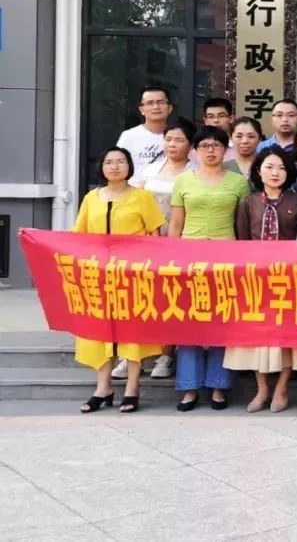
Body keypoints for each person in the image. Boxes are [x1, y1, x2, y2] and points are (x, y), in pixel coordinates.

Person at [72, 147, 165, 414]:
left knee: (132, 332)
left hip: (132, 274)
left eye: (121, 161)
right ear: (101, 167)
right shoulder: (91, 198)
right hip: (98, 275)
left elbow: (155, 236)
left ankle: (132, 387)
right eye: (109, 162)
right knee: (99, 330)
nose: (115, 166)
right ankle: (103, 387)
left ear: (129, 166)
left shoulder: (142, 197)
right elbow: (78, 236)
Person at [169, 126, 249, 411]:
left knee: (222, 321)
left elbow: (242, 223)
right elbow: (175, 223)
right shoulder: (183, 180)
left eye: (216, 145)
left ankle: (218, 386)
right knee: (189, 322)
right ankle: (189, 387)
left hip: (226, 257)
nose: (211, 150)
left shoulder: (238, 182)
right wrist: (172, 259)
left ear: (225, 150)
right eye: (205, 145)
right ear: (195, 150)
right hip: (189, 257)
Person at [224, 147, 297, 413]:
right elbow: (242, 240)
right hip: (256, 278)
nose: (275, 173)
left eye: (281, 168)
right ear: (258, 171)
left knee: (285, 337)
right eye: (269, 167)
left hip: (288, 278)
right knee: (257, 336)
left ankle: (282, 388)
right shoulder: (249, 203)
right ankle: (261, 389)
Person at [122, 116, 196, 382]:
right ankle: (134, 355)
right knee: (144, 300)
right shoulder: (150, 170)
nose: (172, 144)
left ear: (190, 145)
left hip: (180, 244)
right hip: (147, 244)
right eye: (168, 139)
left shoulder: (195, 173)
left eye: (179, 140)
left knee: (172, 300)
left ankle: (166, 354)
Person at [116, 86, 174, 179]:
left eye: (160, 102)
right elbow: (118, 166)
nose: (156, 107)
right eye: (150, 103)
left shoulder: (179, 136)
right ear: (141, 110)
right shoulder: (129, 136)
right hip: (136, 187)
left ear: (170, 108)